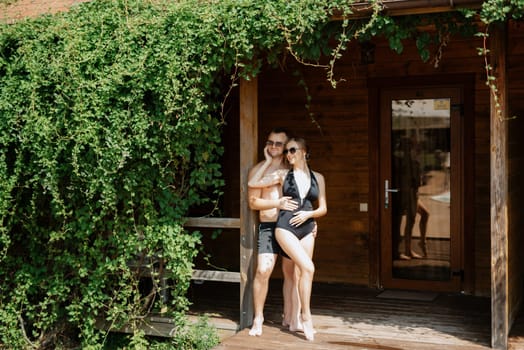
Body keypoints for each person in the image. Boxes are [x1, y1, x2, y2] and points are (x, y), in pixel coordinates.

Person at [249, 137, 327, 341]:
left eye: (292, 150)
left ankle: (295, 321)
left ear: (303, 151)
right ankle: (305, 317)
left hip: (307, 227)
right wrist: (266, 162)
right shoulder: (283, 174)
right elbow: (252, 183)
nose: (288, 154)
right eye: (287, 151)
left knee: (300, 273)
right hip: (284, 227)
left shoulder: (318, 177)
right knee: (307, 268)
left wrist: (310, 216)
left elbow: (323, 207)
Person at [247, 128, 301, 337]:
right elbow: (253, 202)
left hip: (290, 225)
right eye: (271, 142)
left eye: (279, 144)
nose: (274, 147)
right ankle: (258, 318)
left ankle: (290, 317)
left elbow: (305, 197)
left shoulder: (294, 169)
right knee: (263, 270)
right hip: (268, 226)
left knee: (292, 274)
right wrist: (276, 202)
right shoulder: (259, 170)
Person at [392, 137, 430, 260]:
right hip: (407, 194)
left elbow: (417, 182)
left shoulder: (412, 161)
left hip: (413, 193)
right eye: (411, 146)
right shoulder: (404, 161)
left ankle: (421, 242)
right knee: (410, 221)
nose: (415, 148)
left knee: (425, 214)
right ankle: (407, 250)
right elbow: (413, 181)